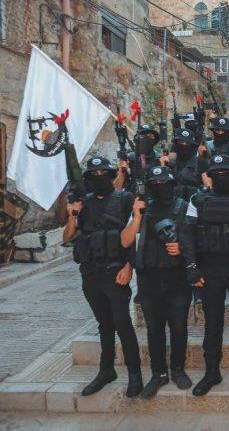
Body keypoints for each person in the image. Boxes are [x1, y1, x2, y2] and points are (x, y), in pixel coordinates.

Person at [62, 156, 142, 398]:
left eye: (103, 174)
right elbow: (67, 238)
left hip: (115, 272)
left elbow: (134, 237)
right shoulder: (83, 204)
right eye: (94, 175)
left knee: (122, 323)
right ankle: (106, 370)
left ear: (110, 175)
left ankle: (135, 374)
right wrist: (72, 216)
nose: (99, 178)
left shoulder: (125, 199)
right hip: (90, 274)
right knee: (104, 325)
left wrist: (129, 266)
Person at [179, 155, 229, 396]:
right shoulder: (198, 199)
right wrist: (191, 267)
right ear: (210, 175)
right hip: (209, 267)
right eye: (216, 173)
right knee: (213, 322)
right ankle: (212, 371)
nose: (221, 177)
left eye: (225, 173)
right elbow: (187, 233)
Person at [120, 166, 192, 398]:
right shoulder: (141, 209)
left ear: (172, 185)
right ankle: (158, 373)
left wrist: (181, 247)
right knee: (154, 329)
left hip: (177, 277)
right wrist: (137, 215)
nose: (161, 189)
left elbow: (195, 239)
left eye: (165, 184)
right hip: (149, 279)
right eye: (156, 185)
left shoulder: (183, 207)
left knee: (179, 327)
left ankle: (178, 369)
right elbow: (125, 242)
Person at [114, 124, 161, 191]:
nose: (146, 139)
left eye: (150, 136)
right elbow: (117, 188)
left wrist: (163, 165)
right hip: (133, 196)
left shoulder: (159, 158)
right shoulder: (130, 158)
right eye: (143, 136)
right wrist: (122, 170)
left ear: (155, 140)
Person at [165, 128, 207, 201]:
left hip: (194, 202)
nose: (184, 145)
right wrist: (164, 164)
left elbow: (208, 185)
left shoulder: (201, 161)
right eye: (181, 142)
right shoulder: (169, 161)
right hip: (172, 203)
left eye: (187, 143)